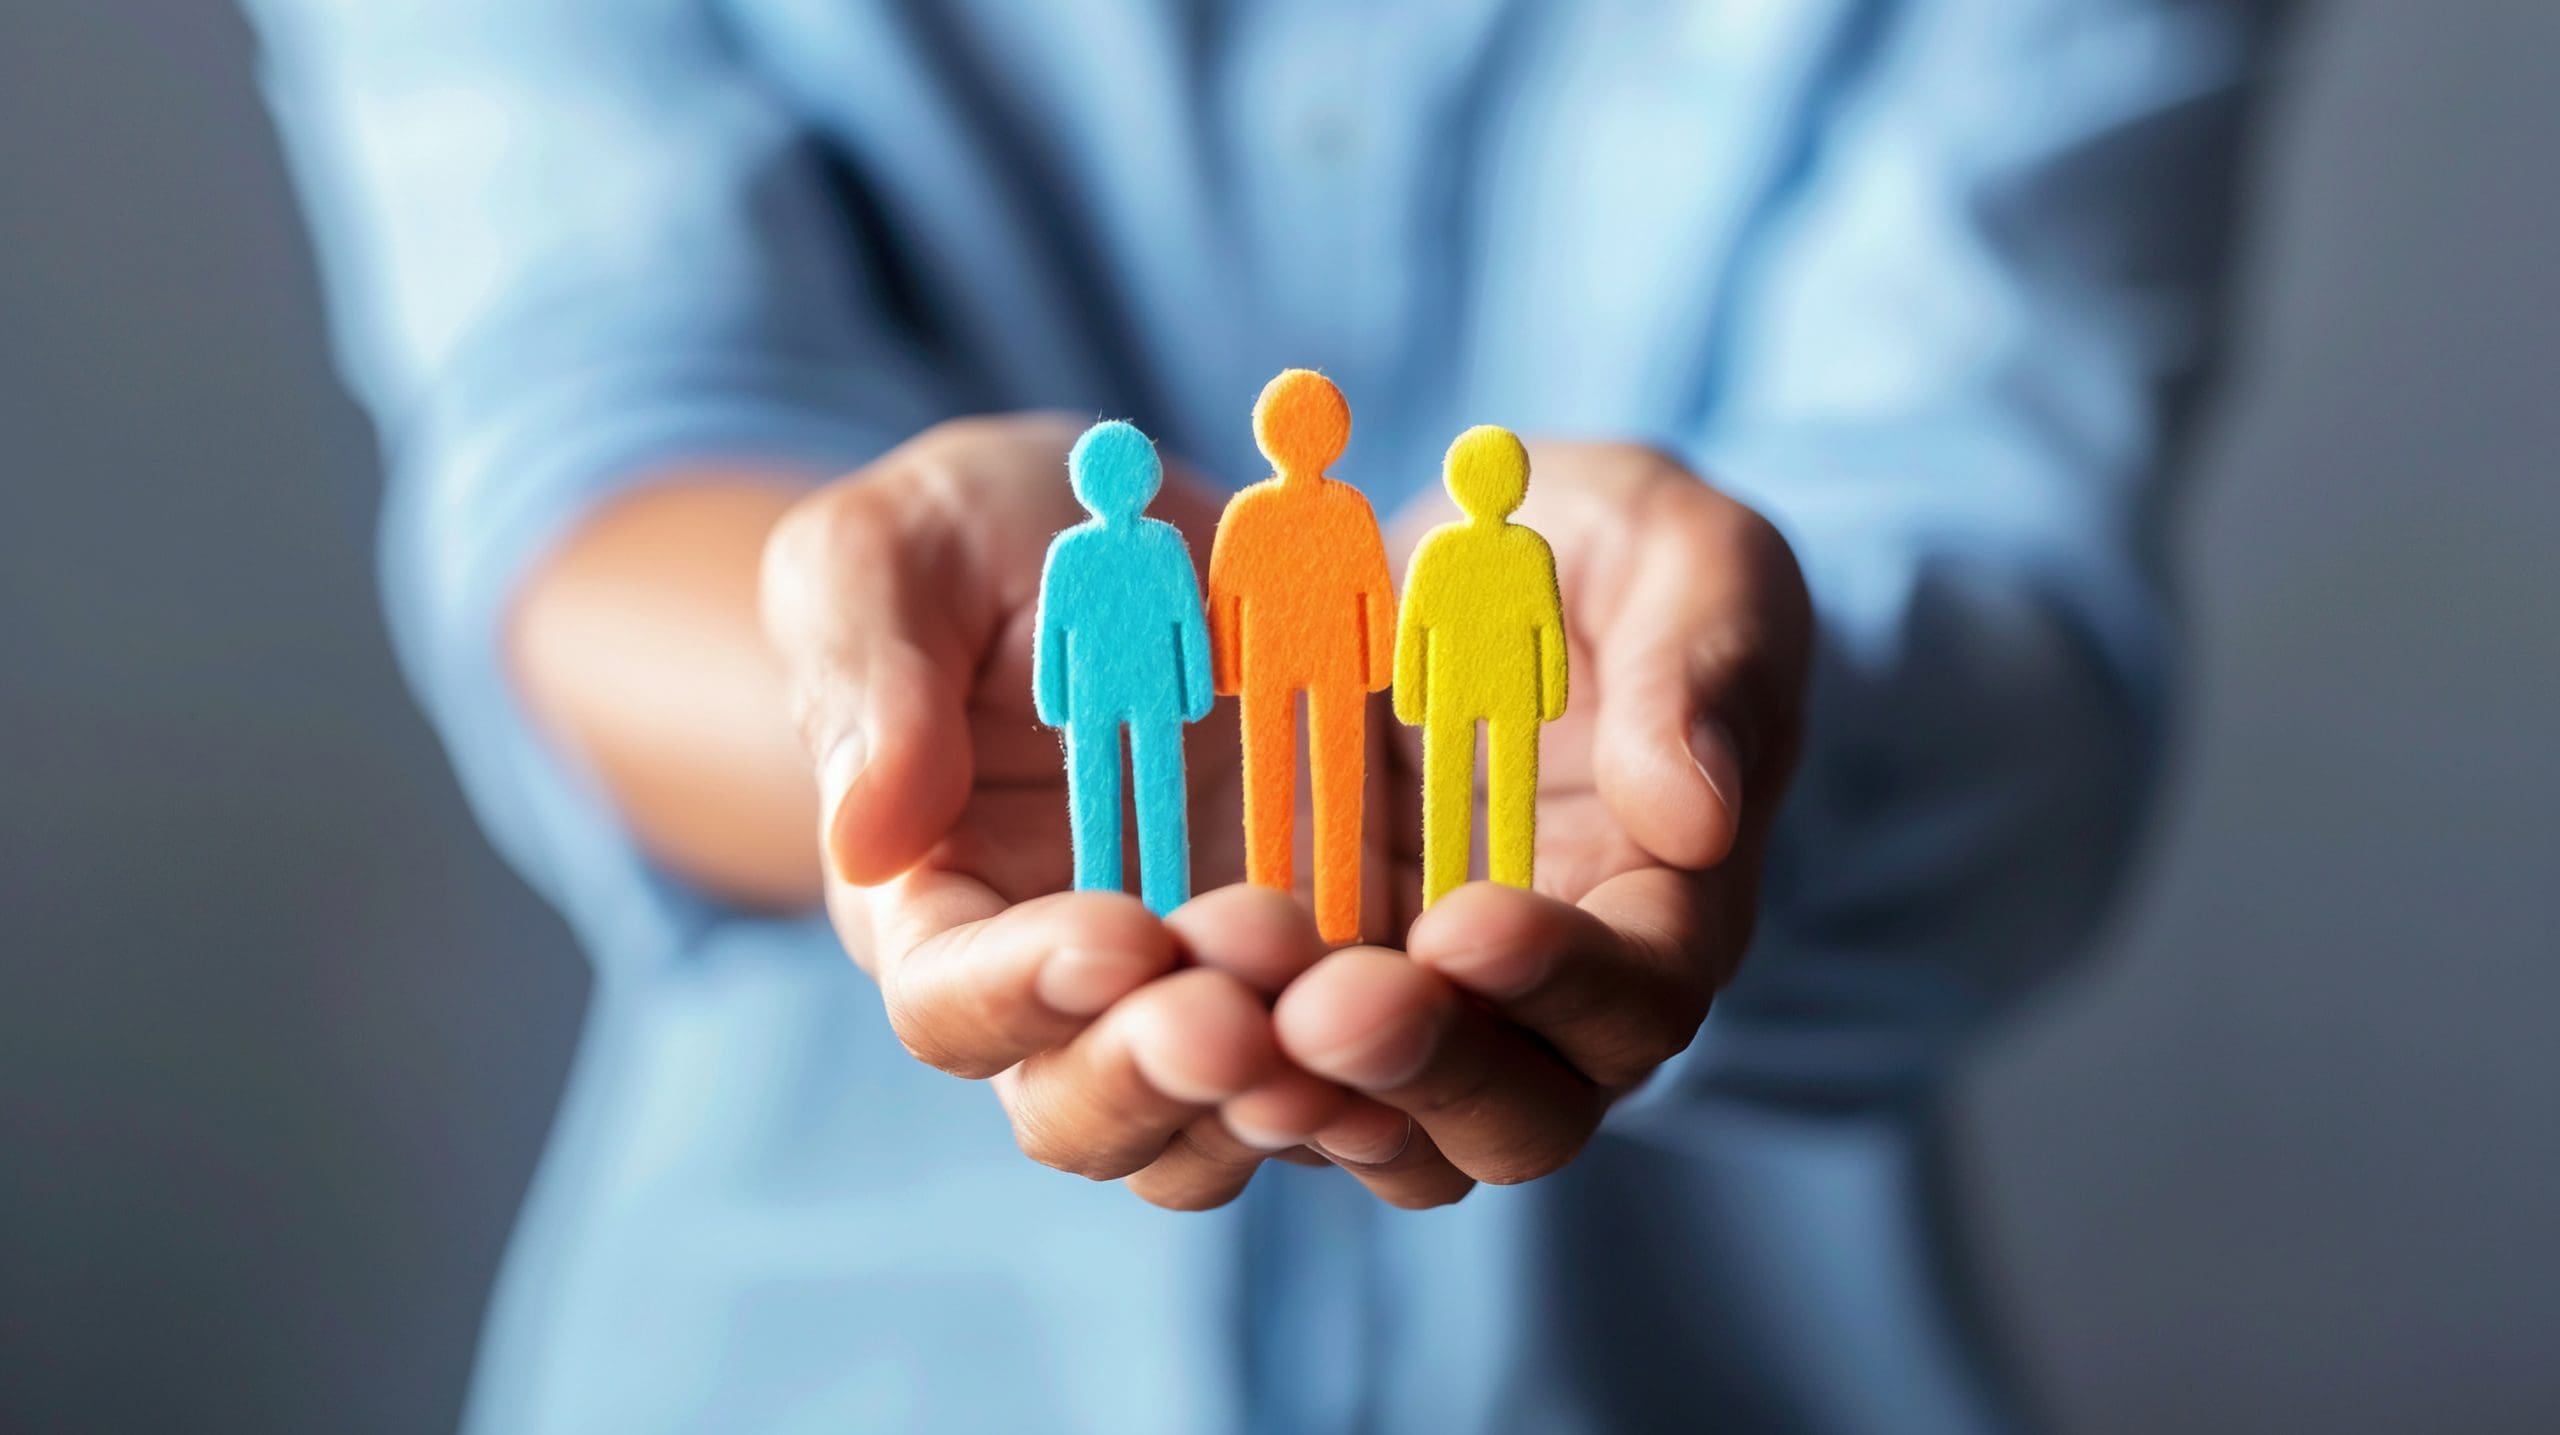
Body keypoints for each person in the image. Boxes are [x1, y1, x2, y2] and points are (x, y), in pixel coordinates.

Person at [243, 1, 2280, 1430]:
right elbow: (581, 441)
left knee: (1423, 815)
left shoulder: (1404, 558)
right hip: (820, 1333)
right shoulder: (1161, 559)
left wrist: (1721, 729)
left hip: (1699, 1301)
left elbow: (2002, 548)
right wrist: (897, 721)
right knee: (1175, 811)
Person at [1207, 370, 1397, 943]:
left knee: (1281, 785)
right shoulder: (1343, 508)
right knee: (1324, 789)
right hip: (1324, 661)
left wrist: (1229, 672)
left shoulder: (1253, 513)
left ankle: (1303, 916)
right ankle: (1314, 918)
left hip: (1287, 661)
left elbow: (1228, 602)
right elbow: (1374, 597)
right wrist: (1379, 669)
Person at [1034, 420, 1214, 916]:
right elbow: (1186, 622)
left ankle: (1142, 902)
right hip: (1141, 686)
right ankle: (1125, 902)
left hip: (1099, 689)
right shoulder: (1146, 547)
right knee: (1133, 795)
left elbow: (1186, 618)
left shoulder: (1082, 551)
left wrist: (1053, 695)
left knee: (1116, 795)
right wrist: (1194, 687)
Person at [1394, 425, 1568, 905]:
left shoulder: (1445, 550)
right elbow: (1548, 631)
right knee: (1488, 793)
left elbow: (1415, 630)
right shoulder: (1521, 550)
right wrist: (1551, 695)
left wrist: (1410, 694)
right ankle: (1479, 894)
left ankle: (1477, 895)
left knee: (1470, 793)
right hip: (1503, 692)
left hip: (1464, 689)